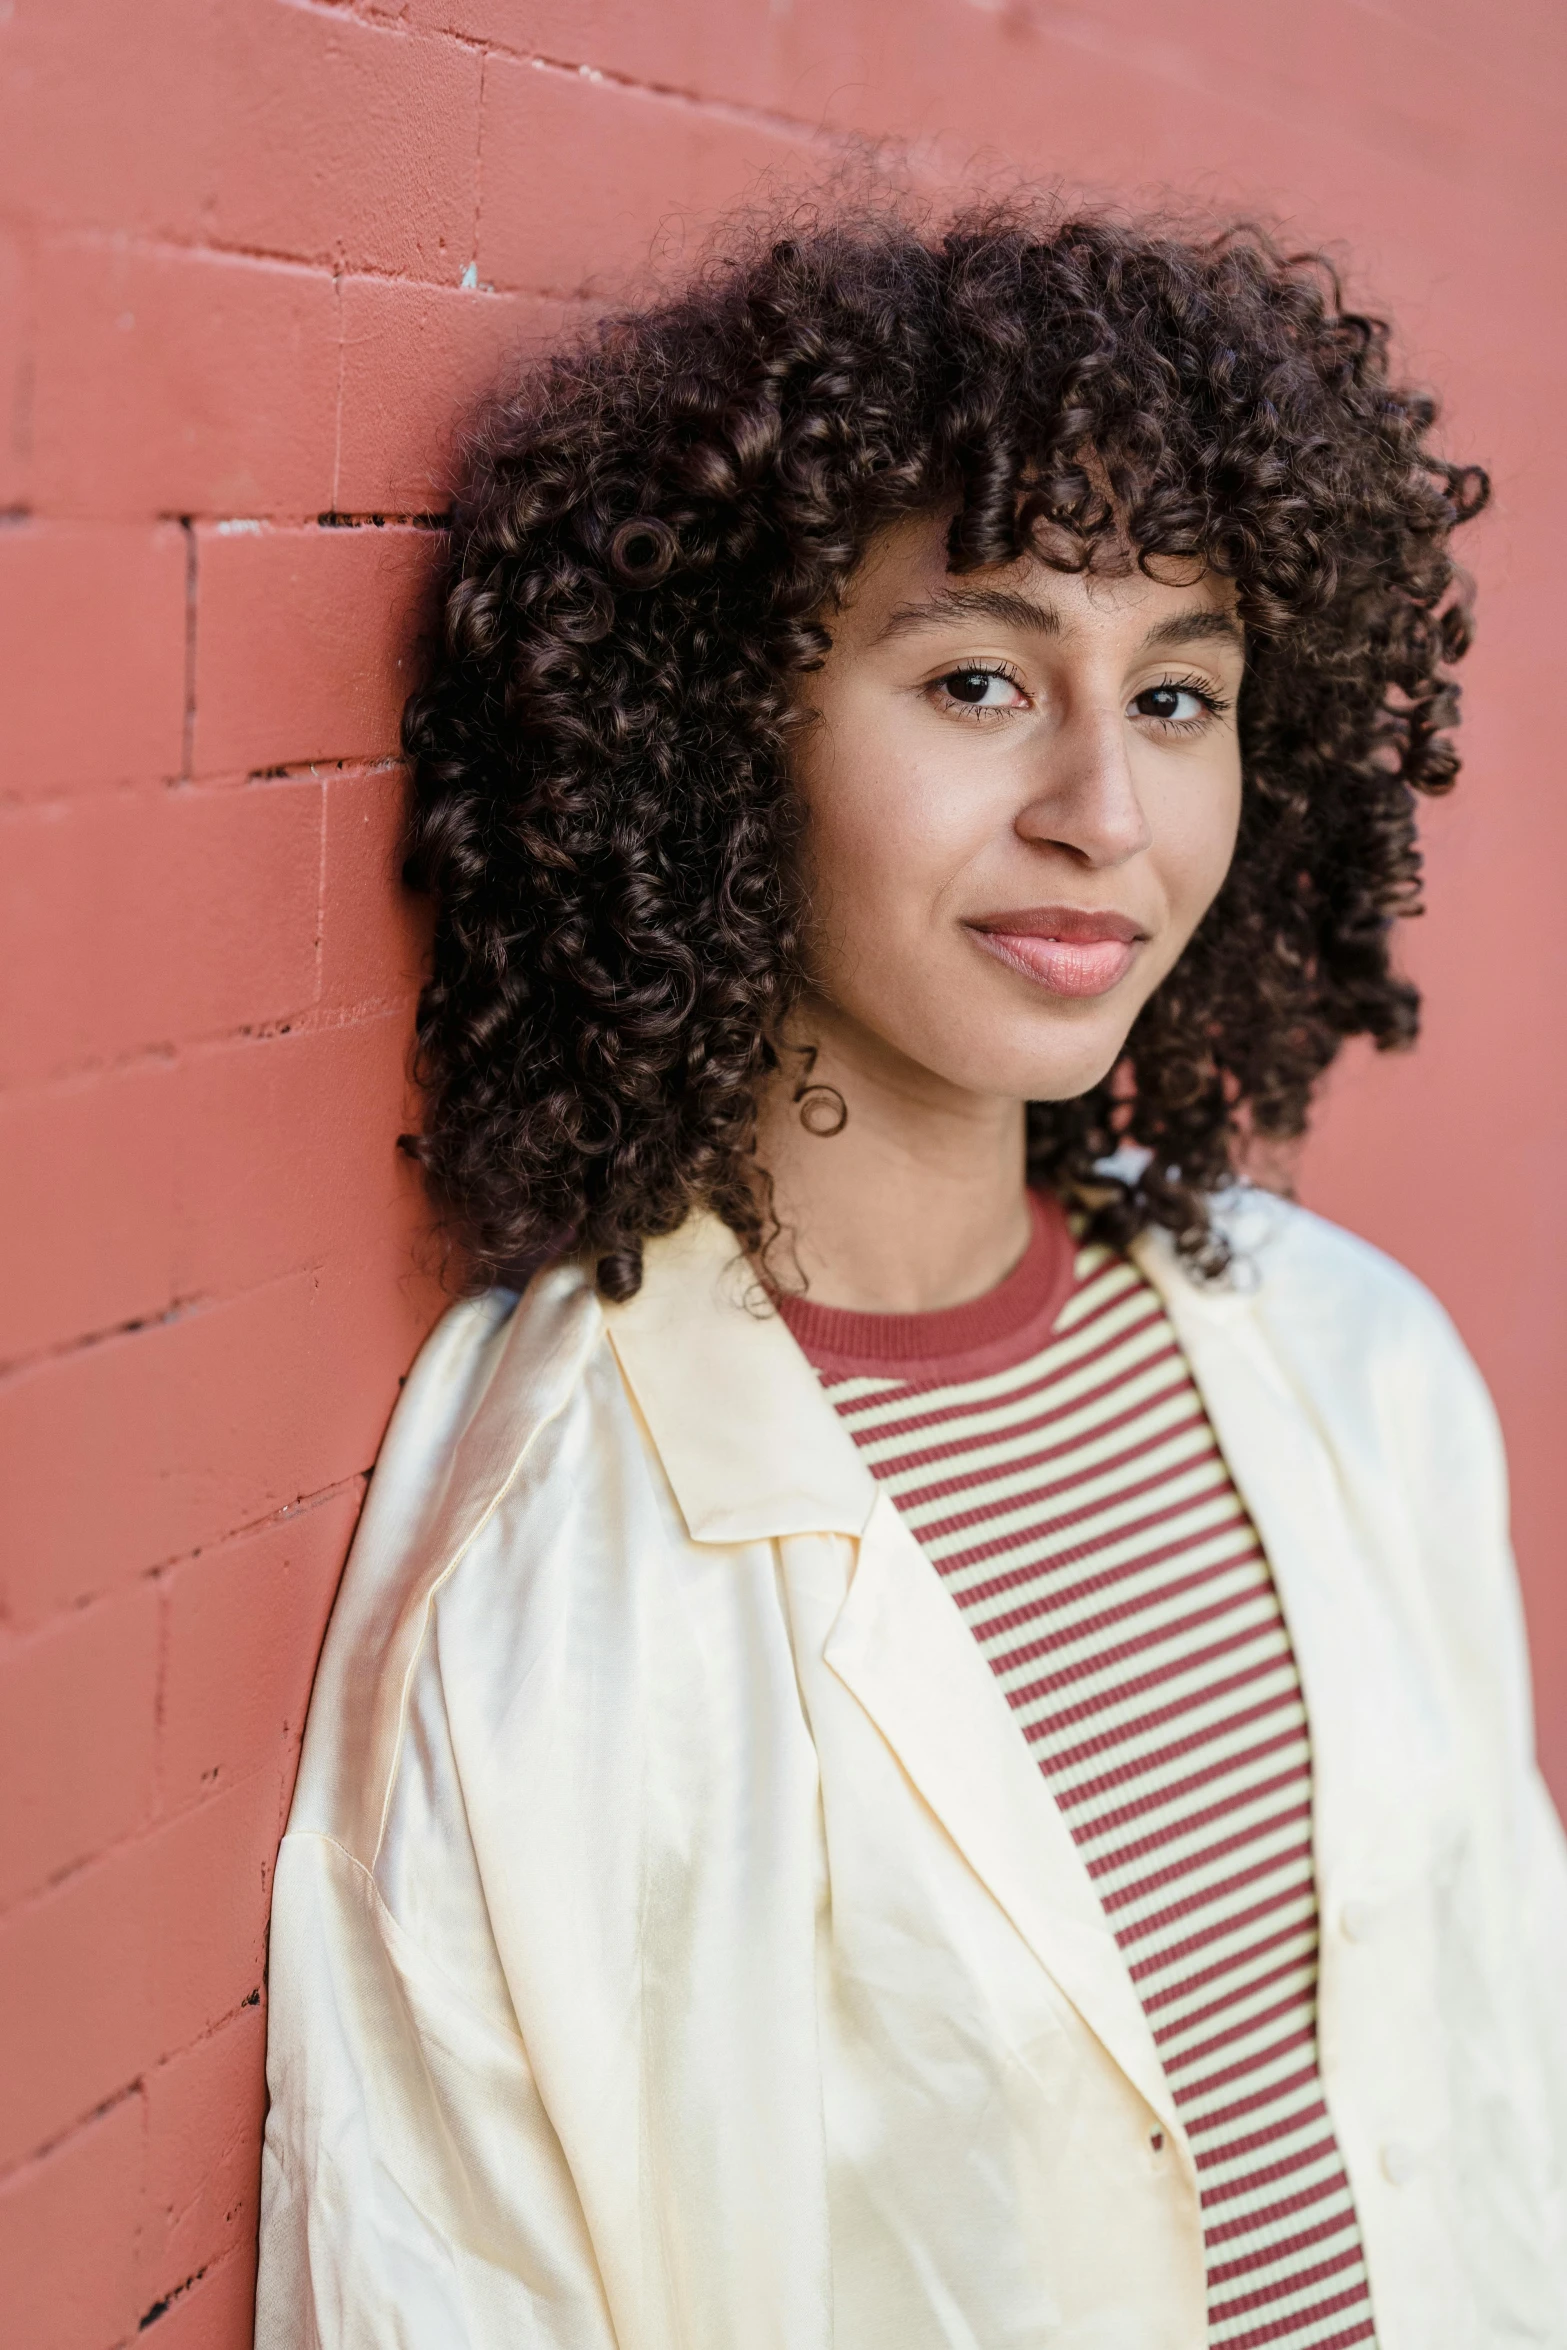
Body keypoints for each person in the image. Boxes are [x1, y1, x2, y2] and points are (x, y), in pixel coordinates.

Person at [254, 202, 1567, 2349]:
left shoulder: (1362, 1365)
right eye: (979, 677)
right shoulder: (558, 1561)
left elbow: (1514, 2103)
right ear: (719, 724)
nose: (1103, 808)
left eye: (1178, 691)